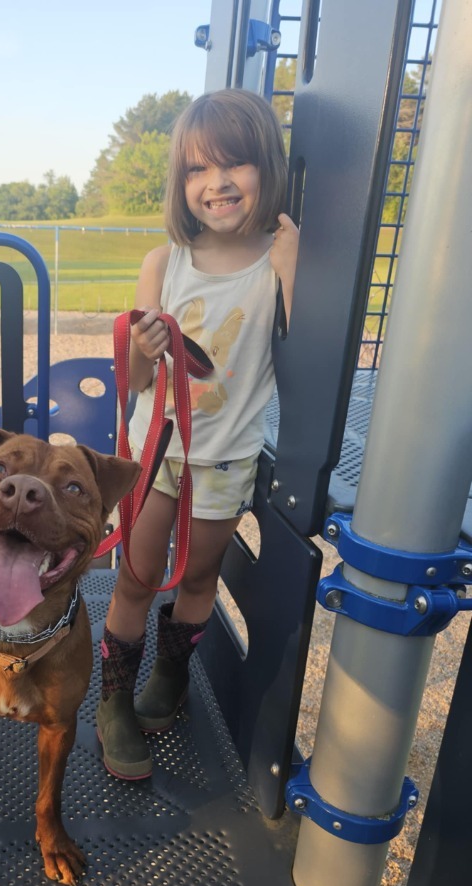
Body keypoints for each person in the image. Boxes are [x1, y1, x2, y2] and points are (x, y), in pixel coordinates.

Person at [96, 89, 299, 780]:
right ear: (181, 184)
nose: (215, 184)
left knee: (199, 573)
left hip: (225, 455)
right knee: (137, 575)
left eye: (234, 164)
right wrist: (144, 349)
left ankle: (171, 677)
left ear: (264, 168)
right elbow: (134, 381)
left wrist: (296, 261)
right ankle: (113, 700)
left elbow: (304, 347)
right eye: (196, 169)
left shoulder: (280, 257)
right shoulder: (167, 262)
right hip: (159, 451)